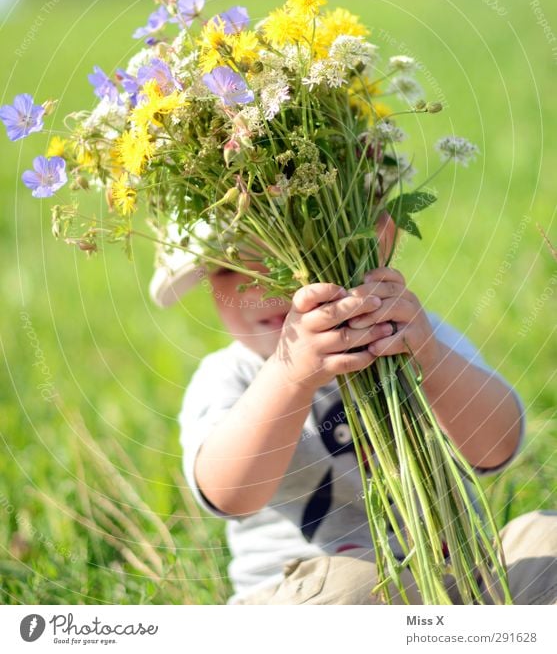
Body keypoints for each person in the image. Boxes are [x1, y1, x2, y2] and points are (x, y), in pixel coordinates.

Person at [150, 213, 557, 605]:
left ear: (365, 243)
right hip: (312, 596)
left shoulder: (413, 336)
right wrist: (290, 378)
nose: (256, 284)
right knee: (356, 587)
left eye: (278, 253)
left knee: (547, 538)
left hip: (465, 579)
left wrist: (429, 360)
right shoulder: (228, 376)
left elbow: (495, 448)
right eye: (225, 268)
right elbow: (229, 495)